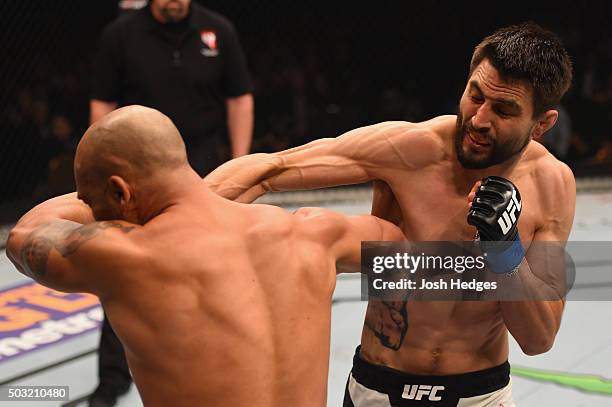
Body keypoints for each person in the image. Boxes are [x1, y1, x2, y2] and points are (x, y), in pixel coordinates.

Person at [205, 22, 576, 406]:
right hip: (379, 386)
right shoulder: (410, 150)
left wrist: (505, 250)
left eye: (503, 110)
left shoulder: (551, 185)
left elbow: (539, 339)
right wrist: (178, 221)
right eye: (475, 95)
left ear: (542, 124)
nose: (479, 119)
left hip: (480, 394)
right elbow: (269, 170)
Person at [6, 105, 404, 407]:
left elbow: (24, 238)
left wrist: (91, 202)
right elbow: (408, 249)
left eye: (94, 202)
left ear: (121, 192)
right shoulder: (309, 232)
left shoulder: (126, 255)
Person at [90, 1, 253, 403]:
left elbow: (239, 97)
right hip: (136, 172)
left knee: (218, 264)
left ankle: (226, 358)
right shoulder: (121, 35)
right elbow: (102, 105)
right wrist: (99, 172)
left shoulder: (218, 29)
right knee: (123, 267)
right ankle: (113, 378)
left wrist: (240, 162)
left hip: (206, 163)